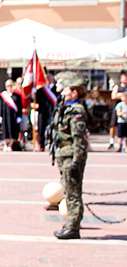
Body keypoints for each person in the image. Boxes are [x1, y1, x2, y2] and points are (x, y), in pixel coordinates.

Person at [51, 73, 90, 240]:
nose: (63, 92)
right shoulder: (66, 107)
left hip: (71, 157)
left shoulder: (77, 112)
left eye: (66, 90)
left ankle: (73, 227)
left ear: (74, 93)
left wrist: (76, 162)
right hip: (64, 155)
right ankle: (72, 223)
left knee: (73, 192)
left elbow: (79, 140)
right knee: (68, 191)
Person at [0, 79, 23, 152]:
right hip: (5, 115)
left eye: (11, 85)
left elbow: (19, 107)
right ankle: (6, 144)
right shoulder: (3, 95)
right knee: (5, 130)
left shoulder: (17, 96)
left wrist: (19, 116)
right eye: (8, 86)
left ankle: (11, 145)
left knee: (13, 130)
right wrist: (0, 115)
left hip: (14, 116)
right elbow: (0, 106)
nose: (9, 87)